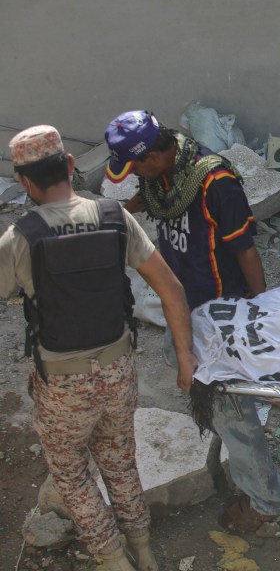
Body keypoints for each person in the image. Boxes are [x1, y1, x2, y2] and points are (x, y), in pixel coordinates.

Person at [0, 126, 197, 571]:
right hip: (118, 369)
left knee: (71, 473)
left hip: (62, 382)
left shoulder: (19, 239)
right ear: (71, 166)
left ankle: (111, 558)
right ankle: (143, 548)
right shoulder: (115, 216)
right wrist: (186, 358)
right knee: (120, 460)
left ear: (25, 183)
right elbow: (172, 290)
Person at [104, 110, 280, 534]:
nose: (135, 176)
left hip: (221, 310)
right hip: (182, 302)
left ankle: (266, 502)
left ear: (153, 155)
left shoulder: (214, 183)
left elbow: (244, 248)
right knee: (183, 363)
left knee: (235, 414)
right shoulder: (160, 177)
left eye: (135, 167)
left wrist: (260, 309)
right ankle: (244, 402)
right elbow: (141, 205)